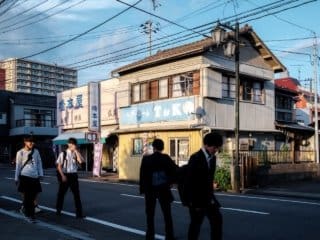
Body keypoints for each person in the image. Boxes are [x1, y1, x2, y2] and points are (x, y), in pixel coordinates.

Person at [184, 132, 223, 240]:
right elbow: (189, 182)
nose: (215, 150)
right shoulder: (195, 158)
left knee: (217, 221)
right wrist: (193, 203)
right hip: (196, 200)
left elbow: (209, 178)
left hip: (209, 198)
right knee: (196, 225)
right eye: (214, 147)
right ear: (206, 144)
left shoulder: (213, 158)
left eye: (217, 147)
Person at [139, 138, 178, 240]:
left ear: (153, 147)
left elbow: (142, 175)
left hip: (150, 190)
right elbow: (175, 170)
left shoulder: (146, 159)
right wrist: (171, 182)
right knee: (167, 214)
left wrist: (143, 189)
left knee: (150, 214)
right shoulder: (165, 158)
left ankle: (150, 236)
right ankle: (169, 236)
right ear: (162, 147)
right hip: (163, 189)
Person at [15, 135, 43, 222]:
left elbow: (39, 163)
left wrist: (41, 174)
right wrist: (16, 178)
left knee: (33, 195)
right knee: (28, 197)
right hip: (25, 176)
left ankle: (26, 210)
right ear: (25, 142)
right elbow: (18, 166)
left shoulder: (36, 151)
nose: (32, 143)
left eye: (33, 142)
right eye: (30, 142)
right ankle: (30, 215)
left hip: (35, 176)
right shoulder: (20, 153)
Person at [56, 137, 85, 218]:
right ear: (68, 144)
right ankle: (58, 209)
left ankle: (79, 214)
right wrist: (62, 176)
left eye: (75, 144)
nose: (73, 146)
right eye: (72, 144)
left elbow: (81, 162)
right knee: (61, 194)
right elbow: (58, 166)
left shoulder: (76, 153)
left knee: (77, 195)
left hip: (74, 175)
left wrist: (76, 152)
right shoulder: (63, 153)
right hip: (65, 175)